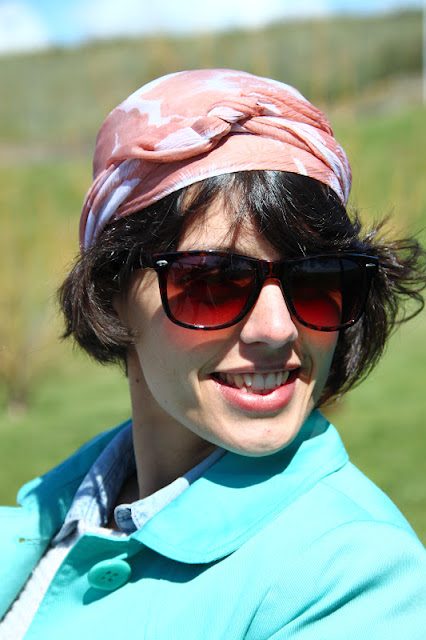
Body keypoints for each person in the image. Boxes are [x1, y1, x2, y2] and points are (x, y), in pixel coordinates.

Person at [0, 69, 425, 639]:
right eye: (212, 281)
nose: (277, 329)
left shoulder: (358, 578)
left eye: (318, 279)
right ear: (112, 290)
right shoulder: (49, 513)